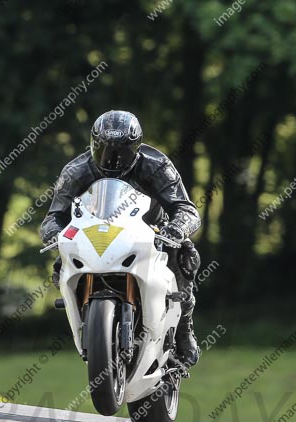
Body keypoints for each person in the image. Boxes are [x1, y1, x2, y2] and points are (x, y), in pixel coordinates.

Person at [39, 110, 202, 367]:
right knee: (60, 266)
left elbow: (187, 209)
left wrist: (175, 229)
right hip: (93, 234)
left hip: (150, 233)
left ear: (136, 147)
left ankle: (184, 330)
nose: (112, 158)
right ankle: (87, 325)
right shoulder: (76, 171)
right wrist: (54, 234)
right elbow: (53, 216)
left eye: (121, 151)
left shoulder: (157, 165)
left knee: (185, 254)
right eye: (104, 149)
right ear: (93, 144)